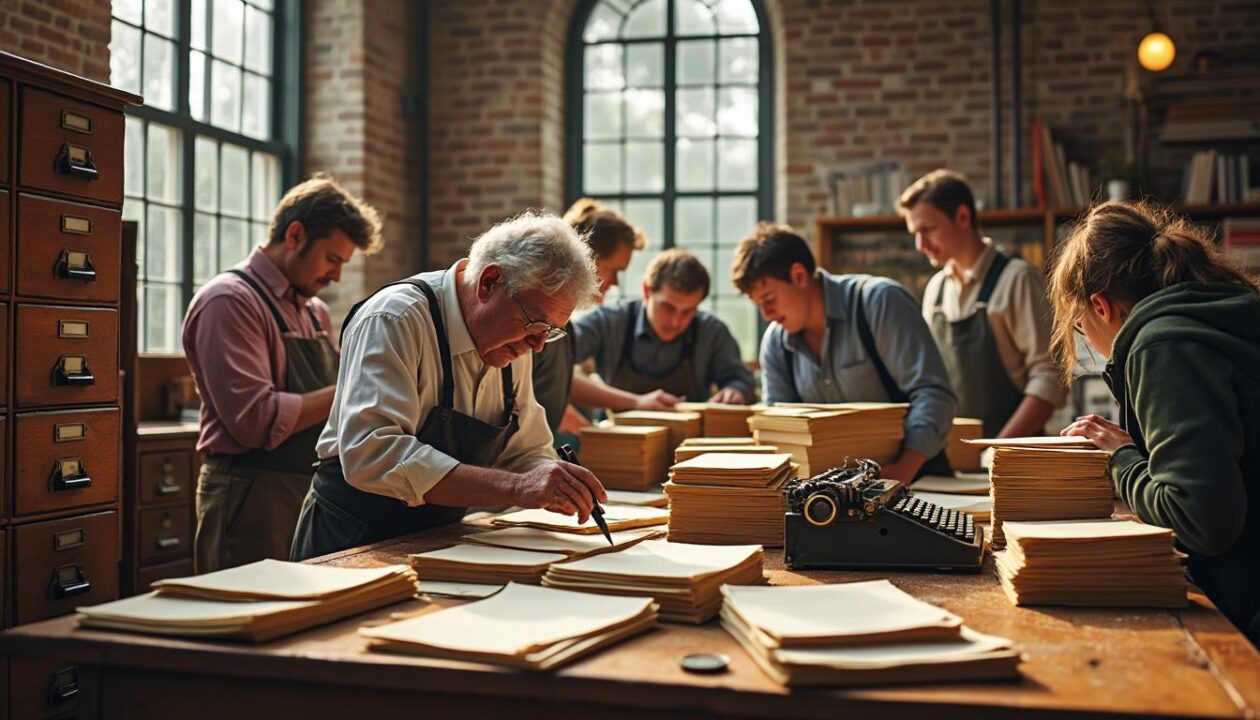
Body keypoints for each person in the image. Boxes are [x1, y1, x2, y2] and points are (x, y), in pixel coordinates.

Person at [290, 211, 608, 560]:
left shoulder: (512, 342)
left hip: (432, 543)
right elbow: (374, 452)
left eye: (551, 331)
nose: (539, 345)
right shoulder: (395, 319)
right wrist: (517, 486)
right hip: (350, 541)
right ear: (488, 283)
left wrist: (550, 475)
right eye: (535, 324)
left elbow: (525, 450)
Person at [1052, 200, 1260, 645]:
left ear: (1100, 307)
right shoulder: (1216, 315)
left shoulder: (1163, 344)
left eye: (1079, 326)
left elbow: (1200, 520)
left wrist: (1122, 459)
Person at [182, 173, 383, 573]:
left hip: (304, 491)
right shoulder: (229, 301)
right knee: (247, 606)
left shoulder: (314, 312)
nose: (336, 276)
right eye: (332, 259)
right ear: (295, 235)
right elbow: (254, 420)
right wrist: (352, 387)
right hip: (250, 495)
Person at [732, 222, 957, 481]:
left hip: (915, 480)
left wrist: (903, 470)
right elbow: (782, 430)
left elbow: (933, 393)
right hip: (825, 494)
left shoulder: (879, 303)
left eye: (769, 300)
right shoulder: (775, 343)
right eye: (758, 305)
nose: (766, 315)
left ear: (799, 276)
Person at [899, 170, 1066, 438]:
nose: (921, 245)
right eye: (915, 233)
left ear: (963, 216)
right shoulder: (936, 290)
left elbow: (1049, 379)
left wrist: (994, 450)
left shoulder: (1017, 279)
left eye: (928, 229)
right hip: (955, 453)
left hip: (1014, 453)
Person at [532, 199, 679, 441]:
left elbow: (557, 381)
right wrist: (635, 403)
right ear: (587, 257)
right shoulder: (541, 317)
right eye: (614, 269)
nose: (616, 282)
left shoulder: (565, 324)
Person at [570, 248, 755, 405]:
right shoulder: (606, 322)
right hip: (616, 435)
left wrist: (735, 391)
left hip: (689, 436)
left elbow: (740, 380)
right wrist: (636, 403)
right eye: (668, 308)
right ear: (646, 291)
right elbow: (557, 358)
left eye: (688, 311)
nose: (676, 322)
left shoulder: (712, 332)